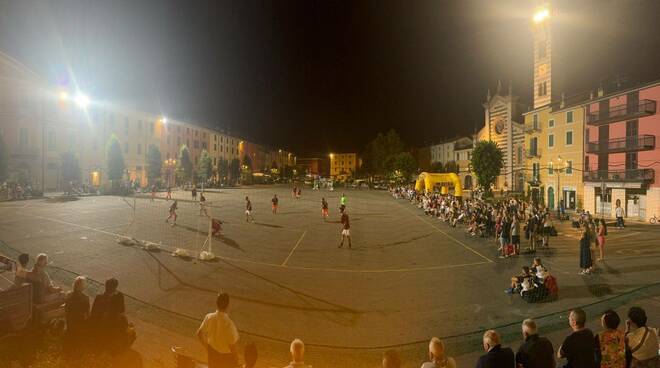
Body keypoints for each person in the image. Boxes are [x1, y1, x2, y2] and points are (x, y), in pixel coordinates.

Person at [90, 278, 132, 354]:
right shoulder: (119, 297)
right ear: (115, 288)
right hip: (111, 329)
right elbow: (122, 310)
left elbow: (93, 313)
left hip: (98, 328)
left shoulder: (99, 298)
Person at [197, 292, 239, 368]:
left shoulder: (209, 317)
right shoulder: (229, 324)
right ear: (228, 305)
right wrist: (236, 359)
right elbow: (232, 346)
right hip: (226, 358)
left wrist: (207, 347)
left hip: (212, 354)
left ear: (217, 304)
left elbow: (199, 333)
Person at [64, 276, 91, 355]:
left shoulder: (68, 295)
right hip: (80, 324)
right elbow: (88, 314)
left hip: (70, 323)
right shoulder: (85, 298)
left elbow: (66, 310)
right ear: (82, 287)